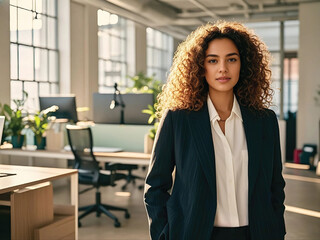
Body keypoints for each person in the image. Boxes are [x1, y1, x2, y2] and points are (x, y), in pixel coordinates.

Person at [143, 21, 286, 240]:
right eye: (213, 60)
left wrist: (276, 231)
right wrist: (164, 235)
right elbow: (155, 187)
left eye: (232, 59)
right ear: (200, 66)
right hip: (195, 233)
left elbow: (275, 186)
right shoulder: (178, 119)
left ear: (243, 64)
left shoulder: (264, 121)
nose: (223, 68)